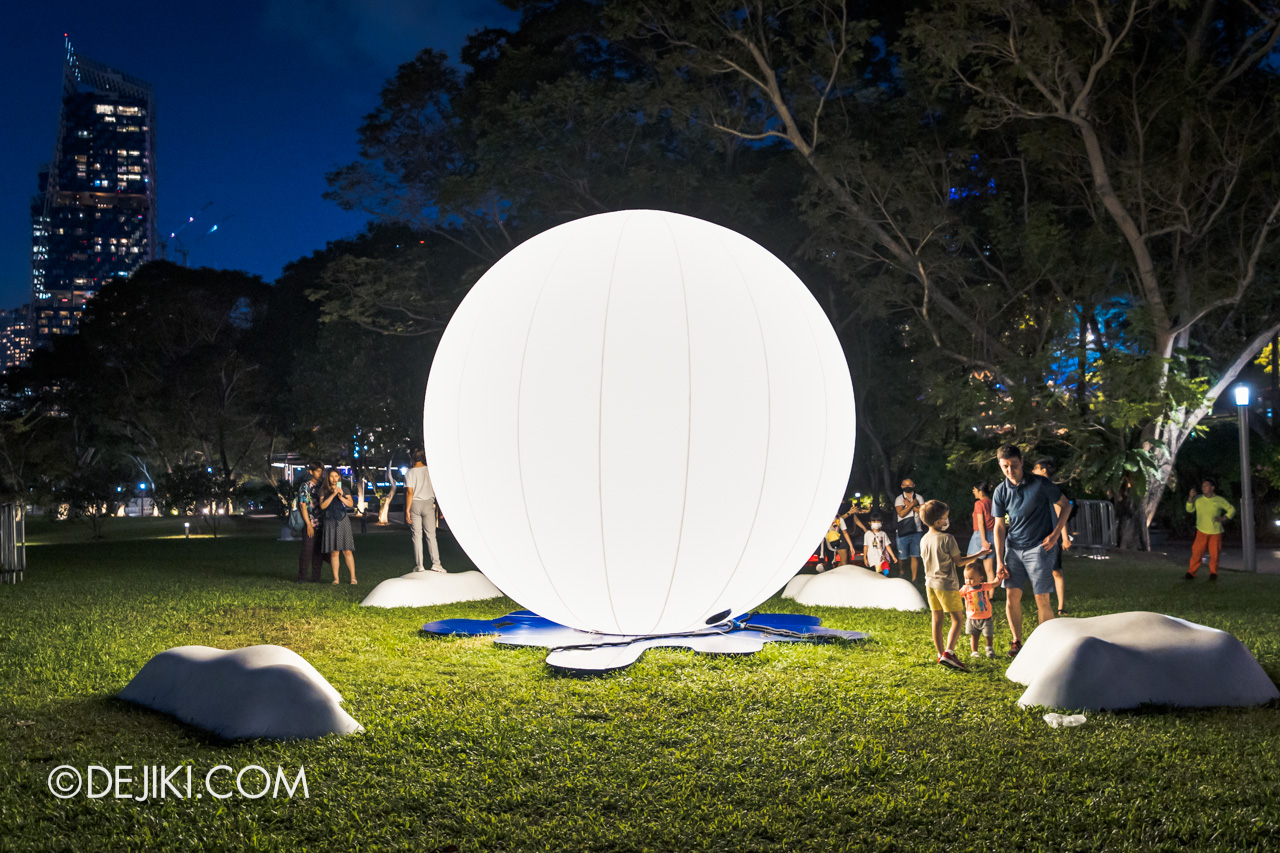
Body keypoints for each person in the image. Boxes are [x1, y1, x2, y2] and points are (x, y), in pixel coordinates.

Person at [992, 445, 1072, 657]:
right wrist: (999, 560)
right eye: (1005, 467)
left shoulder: (1040, 483)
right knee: (1011, 597)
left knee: (1042, 599)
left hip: (1039, 548)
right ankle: (1016, 641)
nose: (1010, 471)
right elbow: (999, 526)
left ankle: (1046, 644)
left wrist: (1056, 535)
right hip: (1013, 549)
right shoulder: (1000, 491)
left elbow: (1066, 506)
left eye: (1014, 465)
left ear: (1022, 462)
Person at [920, 499, 991, 671]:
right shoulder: (947, 538)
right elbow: (959, 562)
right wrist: (979, 554)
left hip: (930, 584)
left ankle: (940, 654)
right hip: (946, 585)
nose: (947, 521)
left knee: (936, 619)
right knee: (958, 620)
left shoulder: (924, 539)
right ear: (938, 522)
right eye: (945, 518)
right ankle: (949, 653)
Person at [1032, 459, 1072, 614]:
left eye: (1036, 468)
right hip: (1038, 536)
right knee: (1041, 572)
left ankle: (1061, 606)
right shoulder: (1036, 488)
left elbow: (1060, 514)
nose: (1033, 471)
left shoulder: (1050, 489)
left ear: (1043, 471)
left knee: (1056, 571)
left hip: (1052, 537)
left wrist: (1065, 537)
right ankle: (1043, 605)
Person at [1185, 477, 1235, 581]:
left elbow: (1231, 509)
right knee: (1197, 553)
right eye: (1203, 486)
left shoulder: (1219, 500)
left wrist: (1223, 518)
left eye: (1206, 486)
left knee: (1215, 555)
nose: (1204, 488)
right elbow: (1189, 509)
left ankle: (1213, 573)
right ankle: (1191, 572)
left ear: (1212, 488)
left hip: (1215, 532)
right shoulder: (1198, 499)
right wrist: (1190, 498)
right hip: (1201, 531)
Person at [404, 449, 445, 573]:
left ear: (412, 458)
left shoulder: (409, 473)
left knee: (416, 536)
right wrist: (440, 508)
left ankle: (419, 565)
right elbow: (437, 491)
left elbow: (409, 492)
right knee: (431, 535)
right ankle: (436, 563)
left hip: (415, 504)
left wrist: (407, 510)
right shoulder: (431, 471)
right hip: (428, 503)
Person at [318, 468, 357, 585]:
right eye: (331, 476)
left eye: (336, 476)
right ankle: (336, 579)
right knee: (334, 552)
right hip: (330, 521)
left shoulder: (344, 489)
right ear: (328, 478)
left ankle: (353, 578)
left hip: (342, 520)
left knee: (347, 550)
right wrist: (333, 494)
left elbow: (350, 504)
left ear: (339, 477)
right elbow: (323, 506)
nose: (334, 479)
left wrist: (341, 497)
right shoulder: (323, 490)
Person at [960, 564, 1000, 658]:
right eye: (966, 578)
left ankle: (989, 649)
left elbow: (995, 584)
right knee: (974, 636)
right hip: (972, 618)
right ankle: (974, 652)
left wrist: (999, 577)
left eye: (971, 578)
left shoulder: (984, 586)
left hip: (986, 617)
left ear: (980, 578)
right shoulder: (965, 589)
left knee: (988, 635)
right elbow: (956, 596)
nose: (968, 581)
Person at [294, 462, 325, 583]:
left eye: (321, 471)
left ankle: (316, 577)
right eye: (317, 471)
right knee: (307, 550)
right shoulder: (305, 486)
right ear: (311, 472)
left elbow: (336, 489)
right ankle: (302, 577)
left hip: (322, 523)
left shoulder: (323, 486)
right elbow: (303, 505)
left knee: (318, 552)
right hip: (310, 523)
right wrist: (308, 524)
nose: (320, 473)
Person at [894, 478, 927, 582]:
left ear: (913, 485)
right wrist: (913, 504)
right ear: (902, 486)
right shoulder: (899, 499)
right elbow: (901, 513)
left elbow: (922, 514)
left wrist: (909, 504)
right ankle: (902, 571)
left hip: (917, 530)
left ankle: (914, 578)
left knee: (915, 555)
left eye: (909, 485)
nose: (907, 487)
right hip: (903, 531)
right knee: (902, 557)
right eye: (905, 485)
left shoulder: (919, 498)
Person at [967, 481, 997, 583]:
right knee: (989, 569)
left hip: (980, 535)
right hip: (992, 536)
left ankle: (969, 591)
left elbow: (980, 522)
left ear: (981, 491)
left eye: (974, 490)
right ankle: (990, 595)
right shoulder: (993, 502)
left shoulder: (979, 503)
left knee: (969, 564)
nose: (973, 491)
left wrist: (983, 540)